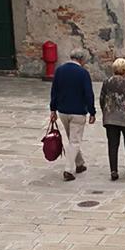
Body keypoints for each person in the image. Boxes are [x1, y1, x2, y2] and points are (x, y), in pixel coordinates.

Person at [49, 50, 96, 181]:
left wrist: (53, 109)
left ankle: (80, 164)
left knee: (72, 139)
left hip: (63, 111)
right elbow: (88, 94)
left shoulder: (59, 71)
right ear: (81, 60)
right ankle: (68, 170)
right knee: (74, 141)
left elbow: (54, 91)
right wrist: (92, 112)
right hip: (78, 111)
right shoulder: (83, 73)